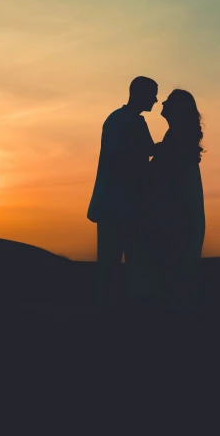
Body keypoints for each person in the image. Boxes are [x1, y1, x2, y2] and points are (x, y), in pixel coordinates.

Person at [129, 89, 206, 316]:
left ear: (177, 110)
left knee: (173, 280)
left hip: (177, 220)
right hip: (182, 217)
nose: (162, 102)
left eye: (169, 101)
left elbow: (161, 175)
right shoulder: (177, 137)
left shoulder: (176, 139)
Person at [87, 76, 158, 308]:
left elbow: (148, 150)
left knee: (128, 265)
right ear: (140, 94)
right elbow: (123, 159)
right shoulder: (120, 121)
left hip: (127, 205)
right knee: (113, 265)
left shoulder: (130, 121)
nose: (156, 100)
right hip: (117, 205)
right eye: (153, 94)